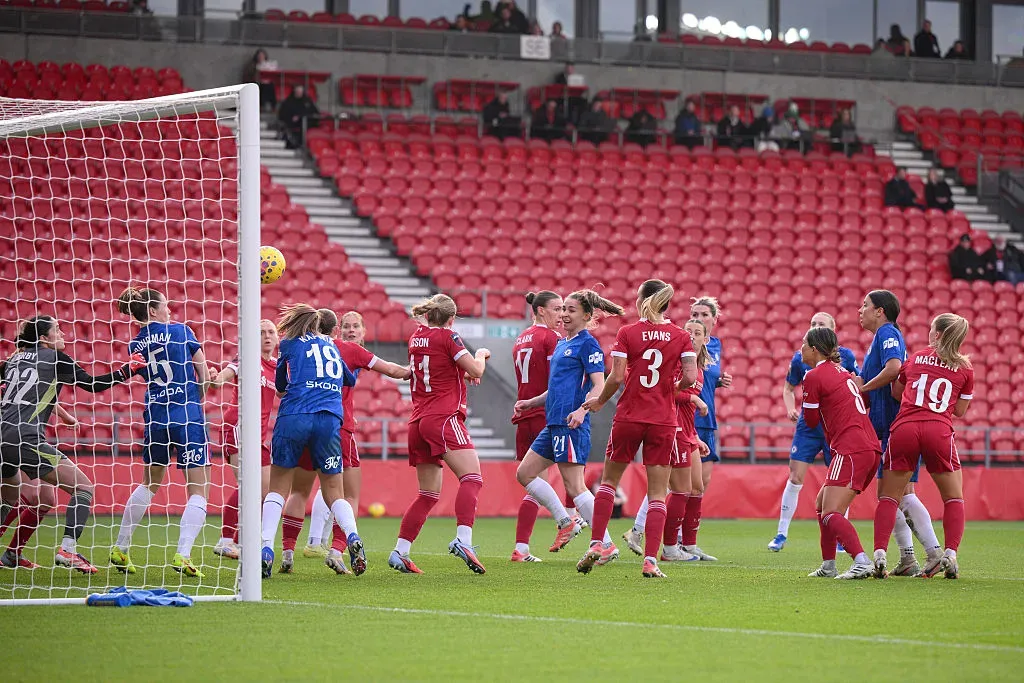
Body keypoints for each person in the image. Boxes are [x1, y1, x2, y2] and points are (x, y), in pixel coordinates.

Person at [0, 316, 141, 573]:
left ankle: (11, 555)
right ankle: (68, 550)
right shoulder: (55, 359)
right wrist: (127, 370)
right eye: (58, 330)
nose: (63, 333)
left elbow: (24, 391)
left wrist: (63, 415)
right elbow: (93, 384)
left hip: (4, 437)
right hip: (26, 438)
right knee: (83, 487)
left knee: (29, 498)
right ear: (44, 338)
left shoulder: (12, 361)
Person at [578, 281, 698, 578]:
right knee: (657, 493)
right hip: (663, 420)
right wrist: (670, 389)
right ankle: (650, 561)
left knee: (608, 482)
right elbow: (691, 378)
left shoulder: (627, 332)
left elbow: (617, 377)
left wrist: (599, 401)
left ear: (642, 300)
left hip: (629, 416)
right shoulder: (681, 336)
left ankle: (596, 544)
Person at [514, 290, 624, 568]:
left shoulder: (589, 344)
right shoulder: (563, 343)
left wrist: (582, 409)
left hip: (571, 424)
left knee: (574, 486)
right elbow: (557, 387)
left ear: (587, 316)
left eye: (571, 310)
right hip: (553, 422)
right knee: (524, 474)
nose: (564, 314)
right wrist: (532, 401)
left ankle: (606, 543)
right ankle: (565, 520)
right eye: (562, 309)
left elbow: (599, 386)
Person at [110, 287, 212, 578]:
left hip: (155, 415)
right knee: (199, 486)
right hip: (187, 414)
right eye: (166, 305)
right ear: (153, 311)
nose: (170, 310)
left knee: (149, 484)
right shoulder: (182, 331)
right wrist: (198, 395)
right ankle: (183, 554)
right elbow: (203, 375)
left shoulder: (135, 345)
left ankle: (120, 547)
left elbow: (144, 373)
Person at [298, 310, 411, 571]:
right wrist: (420, 370)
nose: (350, 330)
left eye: (355, 327)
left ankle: (310, 543)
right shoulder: (350, 350)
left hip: (309, 422)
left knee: (318, 485)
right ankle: (338, 548)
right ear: (338, 330)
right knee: (349, 493)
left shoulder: (319, 348)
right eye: (346, 326)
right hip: (338, 426)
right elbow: (393, 370)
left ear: (363, 332)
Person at [259, 304, 365, 579]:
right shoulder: (332, 347)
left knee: (279, 488)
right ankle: (352, 535)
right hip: (329, 421)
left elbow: (281, 387)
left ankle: (266, 547)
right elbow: (349, 378)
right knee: (334, 491)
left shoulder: (289, 344)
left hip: (295, 416)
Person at [388, 294, 491, 575]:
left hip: (418, 421)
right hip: (443, 417)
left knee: (428, 494)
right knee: (472, 478)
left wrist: (462, 374)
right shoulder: (449, 337)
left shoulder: (416, 337)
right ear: (451, 319)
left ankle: (401, 551)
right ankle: (464, 539)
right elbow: (476, 368)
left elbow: (439, 369)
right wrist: (481, 354)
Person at [873, 314, 973, 580]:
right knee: (953, 498)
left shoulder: (916, 357)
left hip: (905, 428)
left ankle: (880, 554)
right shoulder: (965, 369)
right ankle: (950, 554)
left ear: (937, 334)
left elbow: (897, 392)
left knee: (888, 496)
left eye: (931, 329)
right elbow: (960, 410)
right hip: (938, 430)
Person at [856, 290, 941, 576]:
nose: (861, 310)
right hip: (889, 424)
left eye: (865, 306)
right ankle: (911, 558)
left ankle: (931, 552)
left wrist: (863, 387)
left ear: (880, 311)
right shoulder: (880, 338)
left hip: (893, 425)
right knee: (901, 492)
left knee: (892, 494)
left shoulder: (887, 334)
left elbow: (894, 368)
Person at [769, 312, 859, 552]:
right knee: (795, 476)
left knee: (838, 481)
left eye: (821, 325)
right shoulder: (801, 357)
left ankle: (840, 537)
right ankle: (781, 533)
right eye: (813, 324)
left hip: (834, 426)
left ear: (833, 331)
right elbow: (789, 388)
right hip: (809, 427)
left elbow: (857, 384)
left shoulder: (847, 357)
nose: (815, 327)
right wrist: (790, 409)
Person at [800, 328, 880, 580]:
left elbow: (810, 420)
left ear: (814, 349)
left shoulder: (814, 376)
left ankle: (862, 560)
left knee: (831, 511)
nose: (800, 349)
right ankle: (828, 565)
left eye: (803, 344)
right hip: (867, 446)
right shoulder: (843, 372)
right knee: (822, 504)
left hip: (851, 448)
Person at [509, 291, 579, 563]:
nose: (562, 315)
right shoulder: (552, 338)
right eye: (557, 308)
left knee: (535, 483)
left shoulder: (521, 338)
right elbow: (558, 379)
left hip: (525, 414)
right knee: (564, 474)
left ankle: (521, 548)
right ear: (540, 311)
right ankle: (572, 522)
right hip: (544, 413)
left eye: (564, 309)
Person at [208, 319, 279, 560]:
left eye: (271, 332)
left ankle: (240, 542)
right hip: (238, 426)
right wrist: (215, 377)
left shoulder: (277, 367)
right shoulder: (247, 356)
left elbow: (284, 391)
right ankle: (225, 540)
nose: (267, 336)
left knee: (266, 491)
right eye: (261, 332)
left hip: (259, 436)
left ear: (278, 338)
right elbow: (226, 375)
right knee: (248, 486)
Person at [277, 84, 319, 150]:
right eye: (297, 91)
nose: (299, 93)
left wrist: (301, 116)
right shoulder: (288, 102)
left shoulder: (307, 101)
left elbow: (314, 112)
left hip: (307, 123)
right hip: (292, 124)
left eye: (300, 91)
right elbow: (283, 114)